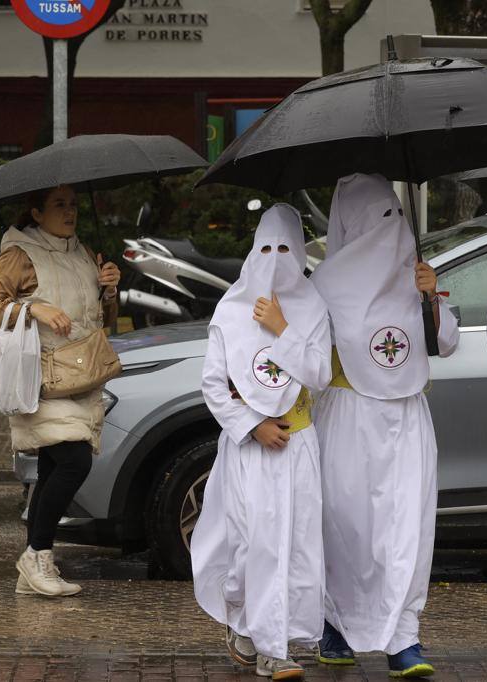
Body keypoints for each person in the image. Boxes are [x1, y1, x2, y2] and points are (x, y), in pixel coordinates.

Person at [311, 173, 460, 678]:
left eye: (394, 217)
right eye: (378, 220)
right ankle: (336, 626)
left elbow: (444, 344)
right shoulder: (323, 286)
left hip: (407, 419)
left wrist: (432, 297)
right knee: (347, 526)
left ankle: (404, 637)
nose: (389, 230)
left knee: (407, 529)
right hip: (349, 418)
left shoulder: (415, 274)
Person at [190, 204, 332, 681]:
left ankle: (276, 644)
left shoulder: (312, 307)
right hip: (251, 450)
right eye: (266, 248)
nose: (275, 260)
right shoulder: (230, 310)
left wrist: (282, 329)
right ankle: (247, 622)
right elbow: (213, 384)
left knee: (294, 545)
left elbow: (320, 374)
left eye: (286, 249)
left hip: (298, 445)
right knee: (252, 545)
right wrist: (252, 425)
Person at [0, 185, 120, 598]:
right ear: (36, 213)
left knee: (55, 469)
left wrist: (108, 289)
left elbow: (99, 317)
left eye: (74, 204)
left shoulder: (83, 252)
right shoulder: (19, 255)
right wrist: (32, 307)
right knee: (74, 461)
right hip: (40, 379)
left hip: (82, 374)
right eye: (59, 205)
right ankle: (36, 554)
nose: (70, 212)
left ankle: (34, 565)